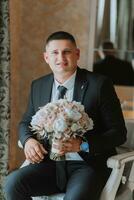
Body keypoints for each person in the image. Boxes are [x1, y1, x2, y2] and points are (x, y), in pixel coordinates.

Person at [4, 31, 127, 200]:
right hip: (49, 165)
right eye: (55, 52)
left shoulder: (99, 84)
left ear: (77, 54)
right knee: (12, 184)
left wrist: (83, 145)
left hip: (86, 166)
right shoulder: (38, 85)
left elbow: (119, 133)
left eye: (67, 51)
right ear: (46, 57)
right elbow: (26, 122)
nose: (60, 57)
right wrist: (28, 141)